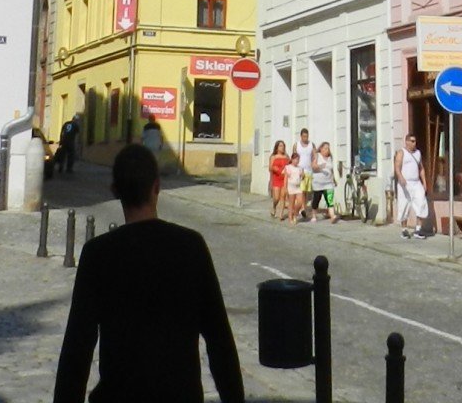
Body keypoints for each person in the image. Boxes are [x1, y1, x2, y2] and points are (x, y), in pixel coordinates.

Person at [53, 143, 245, 403]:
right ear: (157, 186)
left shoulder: (98, 254)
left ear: (115, 192)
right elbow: (219, 339)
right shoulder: (191, 247)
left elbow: (77, 349)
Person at [396, 134, 430, 239]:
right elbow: (397, 167)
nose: (414, 143)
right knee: (404, 205)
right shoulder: (401, 152)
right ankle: (404, 229)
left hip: (416, 182)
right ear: (407, 142)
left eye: (415, 141)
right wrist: (400, 177)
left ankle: (418, 229)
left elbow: (421, 168)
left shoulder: (418, 153)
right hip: (405, 183)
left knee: (421, 203)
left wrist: (424, 182)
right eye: (412, 141)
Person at [309, 142, 338, 223]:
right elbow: (313, 166)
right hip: (318, 183)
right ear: (321, 149)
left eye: (328, 148)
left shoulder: (330, 158)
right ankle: (314, 215)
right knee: (316, 199)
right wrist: (320, 166)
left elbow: (331, 170)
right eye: (325, 148)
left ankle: (332, 216)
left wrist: (334, 179)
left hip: (328, 182)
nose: (327, 150)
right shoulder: (317, 155)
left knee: (329, 199)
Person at [268, 140, 291, 220]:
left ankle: (281, 214)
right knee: (276, 197)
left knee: (283, 197)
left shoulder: (286, 156)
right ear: (277, 147)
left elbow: (290, 166)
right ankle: (274, 206)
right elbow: (270, 168)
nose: (282, 147)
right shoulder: (273, 156)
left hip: (284, 179)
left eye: (283, 146)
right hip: (276, 178)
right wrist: (276, 169)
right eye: (280, 146)